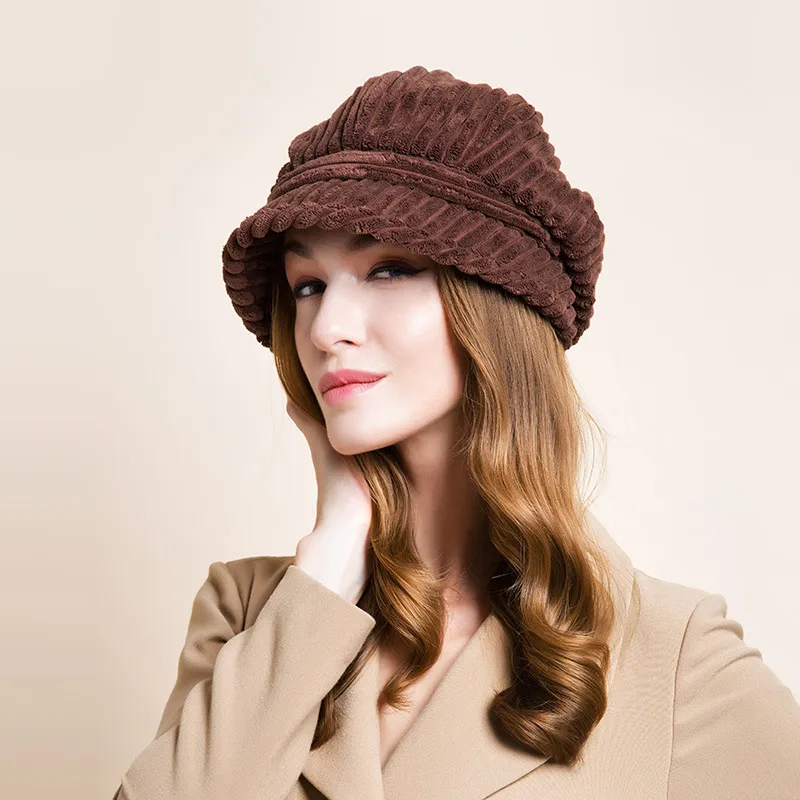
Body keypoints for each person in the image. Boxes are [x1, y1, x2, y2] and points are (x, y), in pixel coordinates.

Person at [112, 66, 800, 800]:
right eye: (308, 284)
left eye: (389, 269)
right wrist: (333, 556)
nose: (326, 327)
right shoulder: (252, 613)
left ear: (496, 304)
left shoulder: (674, 659)